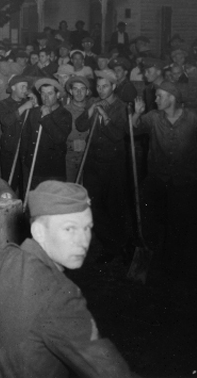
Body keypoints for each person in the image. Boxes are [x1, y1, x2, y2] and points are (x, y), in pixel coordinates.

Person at [0, 181, 133, 378]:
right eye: (69, 229)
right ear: (38, 232)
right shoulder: (61, 296)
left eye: (87, 228)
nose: (82, 241)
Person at [131, 82, 197, 279]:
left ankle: (177, 265)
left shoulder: (192, 119)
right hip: (158, 178)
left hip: (184, 180)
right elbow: (133, 130)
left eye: (159, 96)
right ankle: (155, 259)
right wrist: (137, 114)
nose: (155, 99)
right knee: (154, 219)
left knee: (179, 223)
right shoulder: (153, 117)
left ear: (172, 98)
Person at [75, 70, 129, 263]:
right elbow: (81, 125)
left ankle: (119, 244)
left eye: (105, 86)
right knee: (94, 205)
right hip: (93, 162)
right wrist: (92, 109)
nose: (101, 90)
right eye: (98, 86)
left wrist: (103, 114)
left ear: (114, 86)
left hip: (113, 163)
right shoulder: (93, 102)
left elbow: (117, 135)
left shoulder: (122, 107)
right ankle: (110, 244)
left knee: (114, 205)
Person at [22, 78, 72, 189]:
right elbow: (26, 139)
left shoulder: (64, 114)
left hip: (53, 172)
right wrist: (26, 163)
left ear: (58, 95)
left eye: (50, 93)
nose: (45, 97)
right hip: (33, 169)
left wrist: (47, 117)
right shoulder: (34, 112)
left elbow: (60, 138)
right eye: (43, 93)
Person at [0, 74, 36, 190]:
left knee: (26, 185)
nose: (25, 90)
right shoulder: (3, 104)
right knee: (9, 185)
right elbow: (6, 121)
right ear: (13, 87)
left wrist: (35, 104)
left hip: (26, 151)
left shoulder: (30, 104)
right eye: (22, 86)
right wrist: (24, 107)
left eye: (26, 87)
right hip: (10, 151)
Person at [63, 75, 91, 183]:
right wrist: (71, 145)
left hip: (88, 157)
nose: (79, 93)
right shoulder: (63, 111)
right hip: (69, 159)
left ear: (87, 92)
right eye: (75, 89)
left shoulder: (93, 110)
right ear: (70, 91)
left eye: (82, 89)